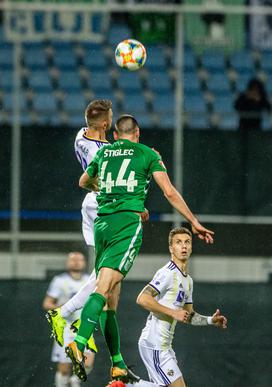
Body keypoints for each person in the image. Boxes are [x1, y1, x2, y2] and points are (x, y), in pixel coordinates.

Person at [65, 114, 215, 382]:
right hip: (126, 223)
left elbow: (83, 182)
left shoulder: (107, 152)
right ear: (138, 133)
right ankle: (79, 340)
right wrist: (193, 222)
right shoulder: (147, 154)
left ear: (114, 134)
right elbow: (169, 192)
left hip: (102, 224)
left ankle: (118, 363)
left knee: (110, 296)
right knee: (104, 285)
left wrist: (110, 190)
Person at [46, 100, 140, 384]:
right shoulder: (104, 150)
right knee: (105, 278)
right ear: (103, 125)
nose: (111, 123)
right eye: (109, 119)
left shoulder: (81, 136)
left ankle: (117, 363)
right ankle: (64, 313)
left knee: (111, 291)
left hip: (91, 206)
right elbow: (95, 179)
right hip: (103, 207)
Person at [106, 227, 227, 387]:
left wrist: (211, 320)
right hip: (154, 344)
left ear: (191, 247)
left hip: (165, 346)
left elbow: (188, 315)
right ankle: (128, 382)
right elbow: (142, 299)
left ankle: (128, 382)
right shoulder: (167, 273)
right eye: (178, 242)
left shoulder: (188, 280)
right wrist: (173, 313)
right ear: (171, 248)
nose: (183, 246)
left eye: (187, 242)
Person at [43, 252, 96, 387]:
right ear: (67, 263)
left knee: (88, 361)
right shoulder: (60, 281)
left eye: (80, 259)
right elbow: (47, 304)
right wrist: (63, 306)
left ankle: (75, 381)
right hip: (66, 328)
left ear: (84, 262)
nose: (77, 262)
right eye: (73, 259)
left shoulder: (90, 281)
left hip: (83, 326)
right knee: (64, 368)